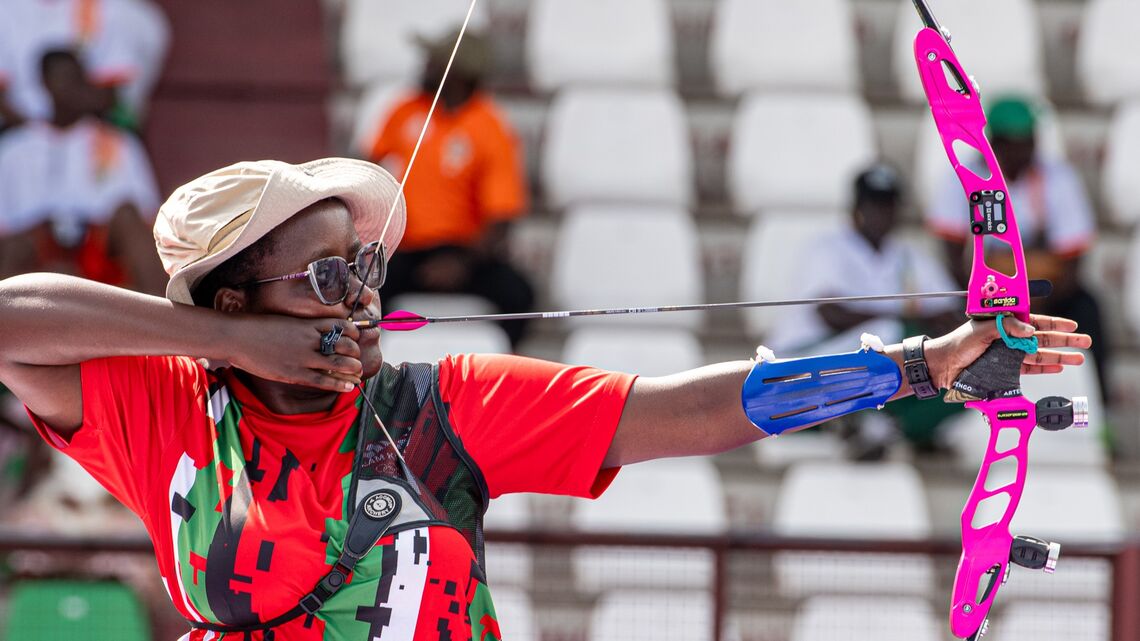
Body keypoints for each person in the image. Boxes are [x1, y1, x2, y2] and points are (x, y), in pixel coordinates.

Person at [0, 158, 1089, 640]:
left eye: (366, 267)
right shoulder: (172, 412)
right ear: (234, 299)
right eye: (327, 275)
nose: (363, 294)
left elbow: (688, 408)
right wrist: (223, 342)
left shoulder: (443, 403)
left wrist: (919, 365)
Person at [927, 95, 1109, 401]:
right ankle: (951, 413)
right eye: (1019, 142)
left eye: (1030, 141)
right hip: (981, 293)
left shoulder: (1058, 179)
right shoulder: (960, 179)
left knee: (1087, 310)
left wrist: (1030, 307)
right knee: (940, 321)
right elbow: (951, 259)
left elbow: (1073, 261)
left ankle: (1099, 407)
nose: (1028, 150)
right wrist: (989, 310)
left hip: (1044, 293)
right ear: (997, 142)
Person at [366, 29, 535, 348]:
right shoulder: (405, 110)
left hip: (466, 253)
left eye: (433, 62)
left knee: (519, 295)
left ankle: (496, 370)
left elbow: (502, 218)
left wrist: (460, 264)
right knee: (361, 287)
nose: (423, 66)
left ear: (457, 75)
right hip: (406, 248)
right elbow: (365, 169)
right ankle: (368, 371)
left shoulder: (491, 127)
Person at [0, 49, 165, 294]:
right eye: (64, 78)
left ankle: (163, 320)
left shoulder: (117, 141)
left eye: (78, 78)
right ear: (45, 83)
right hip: (36, 250)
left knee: (128, 215)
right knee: (14, 247)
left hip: (96, 247)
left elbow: (148, 215)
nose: (73, 87)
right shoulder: (14, 147)